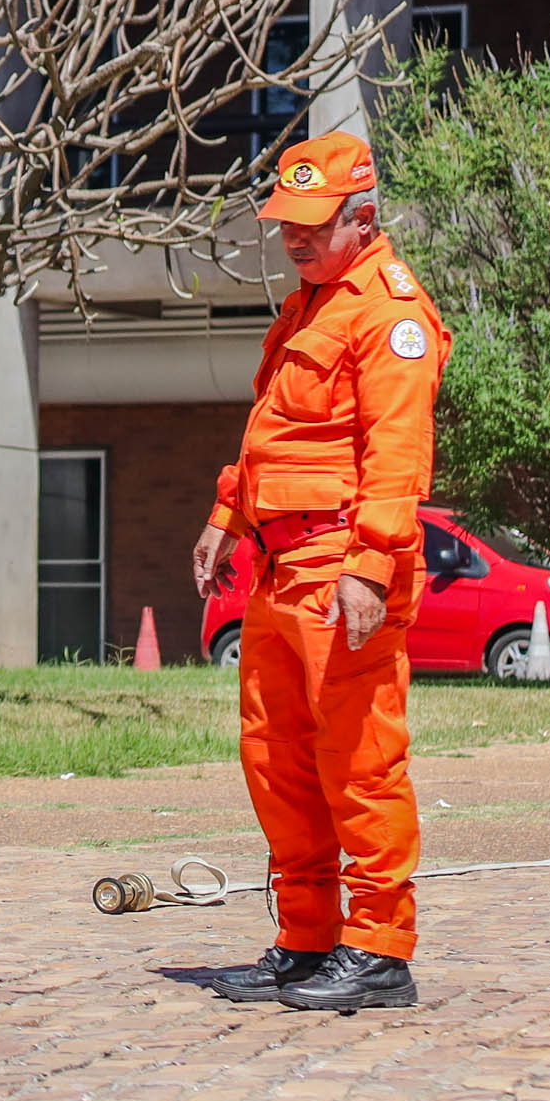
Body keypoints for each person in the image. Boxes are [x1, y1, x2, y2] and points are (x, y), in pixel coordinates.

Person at [192, 131, 450, 1014]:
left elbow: (398, 452)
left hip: (340, 560)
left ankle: (377, 949)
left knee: (359, 762)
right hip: (279, 567)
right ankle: (306, 939)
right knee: (278, 762)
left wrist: (371, 565)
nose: (294, 237)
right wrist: (229, 514)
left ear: (362, 217)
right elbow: (278, 431)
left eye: (313, 222)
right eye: (287, 222)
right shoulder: (311, 305)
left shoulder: (389, 312)